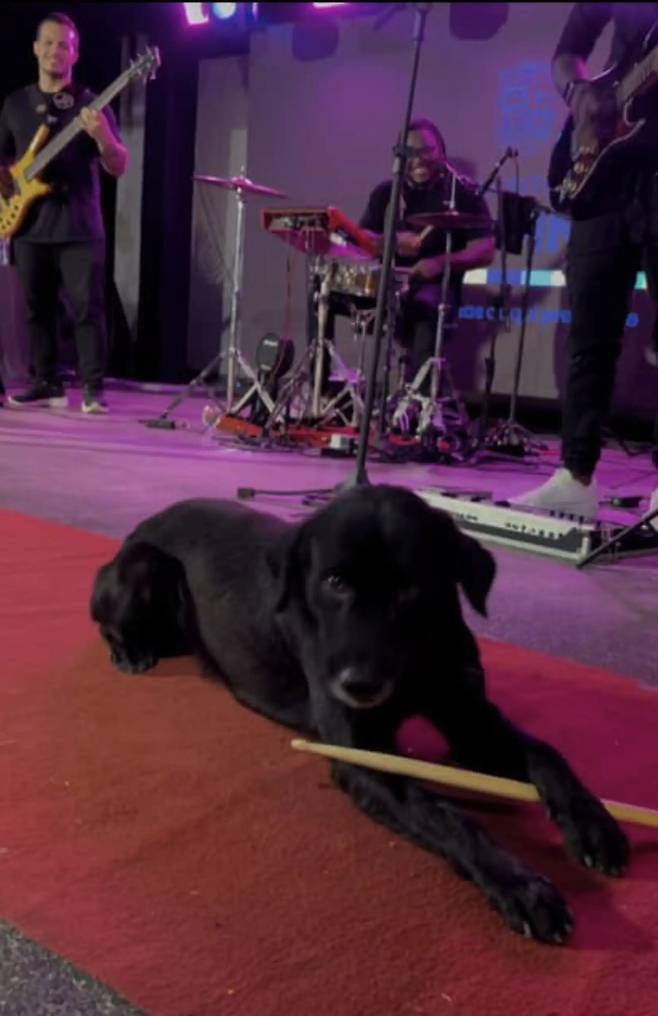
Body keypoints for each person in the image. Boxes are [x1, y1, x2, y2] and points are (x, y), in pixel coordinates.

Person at [513, 3, 658, 519]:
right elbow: (568, 51)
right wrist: (581, 93)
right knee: (589, 336)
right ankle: (575, 475)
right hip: (606, 178)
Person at [0, 11, 128, 414]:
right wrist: (7, 192)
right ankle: (46, 383)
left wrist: (103, 136)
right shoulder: (15, 104)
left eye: (64, 45)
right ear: (36, 49)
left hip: (79, 224)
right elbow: (3, 161)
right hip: (28, 224)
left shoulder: (91, 103)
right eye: (49, 43)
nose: (56, 50)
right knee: (35, 310)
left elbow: (118, 165)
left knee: (88, 308)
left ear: (75, 54)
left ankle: (92, 389)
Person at [358, 117, 495, 396]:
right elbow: (361, 239)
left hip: (434, 288)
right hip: (387, 285)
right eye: (411, 152)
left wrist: (440, 263)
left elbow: (486, 249)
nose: (419, 159)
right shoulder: (386, 193)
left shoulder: (462, 193)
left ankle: (418, 402)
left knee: (426, 306)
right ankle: (321, 387)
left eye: (427, 151)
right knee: (323, 293)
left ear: (441, 151)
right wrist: (391, 243)